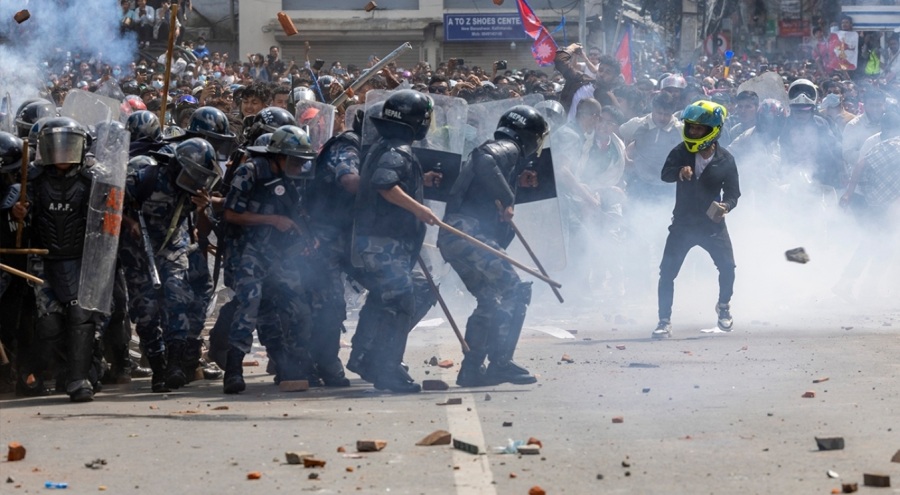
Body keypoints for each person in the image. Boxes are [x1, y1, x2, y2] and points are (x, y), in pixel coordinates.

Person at [437, 105, 548, 387]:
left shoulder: (507, 155)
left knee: (490, 299)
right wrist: (507, 197)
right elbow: (484, 159)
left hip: (454, 237)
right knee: (515, 291)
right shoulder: (507, 146)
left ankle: (472, 370)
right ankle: (501, 364)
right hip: (467, 233)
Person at [347, 90, 439, 393]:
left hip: (381, 240)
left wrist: (418, 182)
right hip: (383, 242)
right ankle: (386, 368)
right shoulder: (398, 150)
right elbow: (384, 184)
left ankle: (365, 356)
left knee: (392, 297)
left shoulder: (384, 146)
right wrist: (420, 209)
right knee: (400, 300)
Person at [10, 117, 103, 402]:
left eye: (69, 144)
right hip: (44, 261)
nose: (62, 152)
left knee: (81, 317)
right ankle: (33, 370)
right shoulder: (32, 179)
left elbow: (109, 213)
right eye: (56, 145)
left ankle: (78, 379)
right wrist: (19, 214)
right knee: (50, 325)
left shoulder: (93, 178)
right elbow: (18, 215)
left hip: (80, 261)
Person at [221, 125, 319, 394]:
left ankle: (286, 363)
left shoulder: (294, 178)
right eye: (295, 161)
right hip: (249, 252)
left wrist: (308, 237)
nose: (300, 167)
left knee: (294, 307)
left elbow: (298, 213)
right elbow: (230, 214)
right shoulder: (251, 172)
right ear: (279, 156)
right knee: (248, 307)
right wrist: (272, 220)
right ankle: (233, 369)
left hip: (281, 255)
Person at [652, 101, 740, 339]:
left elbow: (733, 194)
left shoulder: (726, 160)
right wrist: (679, 172)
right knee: (667, 272)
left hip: (712, 226)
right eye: (691, 128)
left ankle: (723, 307)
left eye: (699, 129)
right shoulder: (681, 151)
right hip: (683, 224)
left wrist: (725, 206)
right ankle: (664, 321)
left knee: (728, 268)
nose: (693, 133)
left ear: (713, 130)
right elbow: (664, 174)